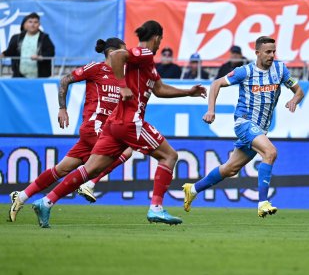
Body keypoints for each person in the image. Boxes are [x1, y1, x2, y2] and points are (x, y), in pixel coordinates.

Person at [30, 20, 207, 228]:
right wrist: (122, 86)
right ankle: (156, 208)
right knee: (170, 156)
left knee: (90, 169)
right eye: (160, 39)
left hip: (114, 124)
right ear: (157, 37)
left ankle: (46, 201)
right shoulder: (144, 53)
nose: (160, 44)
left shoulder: (147, 65)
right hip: (131, 122)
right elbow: (115, 55)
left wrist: (188, 92)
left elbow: (159, 89)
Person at [8, 38, 134, 223]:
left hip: (106, 130)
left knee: (62, 169)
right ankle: (89, 184)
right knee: (127, 149)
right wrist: (62, 108)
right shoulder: (96, 68)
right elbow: (66, 79)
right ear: (112, 52)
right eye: (124, 52)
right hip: (95, 126)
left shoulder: (123, 76)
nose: (127, 56)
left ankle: (21, 197)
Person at [182, 36, 303, 217]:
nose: (272, 55)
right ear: (257, 53)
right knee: (270, 152)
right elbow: (216, 84)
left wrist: (294, 99)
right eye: (268, 52)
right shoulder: (244, 71)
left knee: (230, 169)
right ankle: (263, 203)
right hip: (244, 123)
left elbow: (299, 91)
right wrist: (211, 110)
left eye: (273, 51)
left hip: (260, 129)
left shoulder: (280, 69)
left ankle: (193, 189)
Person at [1, 13, 55, 78]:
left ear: (39, 24)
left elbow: (51, 52)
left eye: (35, 22)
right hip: (20, 77)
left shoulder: (44, 38)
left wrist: (40, 57)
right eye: (30, 22)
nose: (33, 25)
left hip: (40, 77)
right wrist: (3, 54)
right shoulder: (17, 38)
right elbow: (10, 51)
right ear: (25, 24)